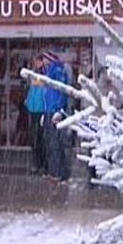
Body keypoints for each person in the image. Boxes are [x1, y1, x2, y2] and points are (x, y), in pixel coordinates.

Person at [42, 51, 69, 182]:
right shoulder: (49, 72)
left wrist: (59, 110)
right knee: (50, 143)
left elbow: (62, 93)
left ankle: (59, 172)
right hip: (49, 111)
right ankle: (54, 171)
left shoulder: (58, 72)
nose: (43, 61)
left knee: (55, 143)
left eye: (45, 58)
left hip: (55, 112)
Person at [25, 55, 46, 175]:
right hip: (34, 109)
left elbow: (40, 85)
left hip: (39, 109)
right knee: (35, 138)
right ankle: (37, 163)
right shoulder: (35, 73)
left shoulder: (43, 73)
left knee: (39, 138)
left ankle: (40, 163)